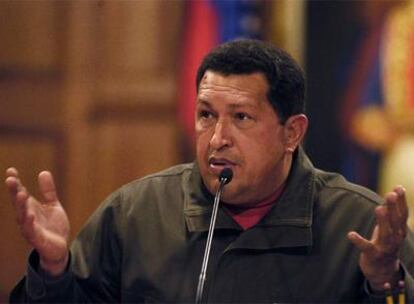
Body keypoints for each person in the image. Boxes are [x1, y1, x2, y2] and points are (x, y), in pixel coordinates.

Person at [5, 39, 414, 303]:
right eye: (205, 115)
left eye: (241, 117)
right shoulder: (135, 214)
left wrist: (385, 284)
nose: (217, 137)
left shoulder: (360, 224)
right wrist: (54, 270)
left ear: (292, 133)